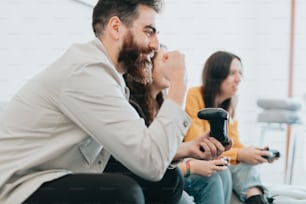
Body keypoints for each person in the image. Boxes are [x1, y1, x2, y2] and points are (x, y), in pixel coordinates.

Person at [0, 1, 207, 203]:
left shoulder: (106, 78)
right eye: (148, 31)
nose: (155, 45)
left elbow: (137, 148)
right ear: (115, 27)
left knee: (166, 182)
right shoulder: (86, 73)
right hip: (18, 186)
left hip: (52, 175)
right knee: (124, 193)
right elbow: (150, 162)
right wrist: (179, 83)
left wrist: (183, 149)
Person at [124, 45, 233, 204]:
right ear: (146, 66)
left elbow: (169, 152)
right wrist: (191, 167)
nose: (170, 67)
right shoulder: (133, 108)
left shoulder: (162, 106)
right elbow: (147, 161)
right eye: (164, 59)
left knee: (223, 173)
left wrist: (193, 148)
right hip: (153, 180)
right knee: (211, 180)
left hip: (171, 171)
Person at [184, 51, 277, 204]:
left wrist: (254, 153)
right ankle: (256, 198)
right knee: (235, 163)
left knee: (244, 162)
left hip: (219, 156)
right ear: (217, 73)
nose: (239, 79)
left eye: (240, 73)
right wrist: (240, 154)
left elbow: (235, 144)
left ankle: (256, 198)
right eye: (233, 73)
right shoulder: (194, 95)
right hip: (195, 158)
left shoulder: (229, 105)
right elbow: (197, 143)